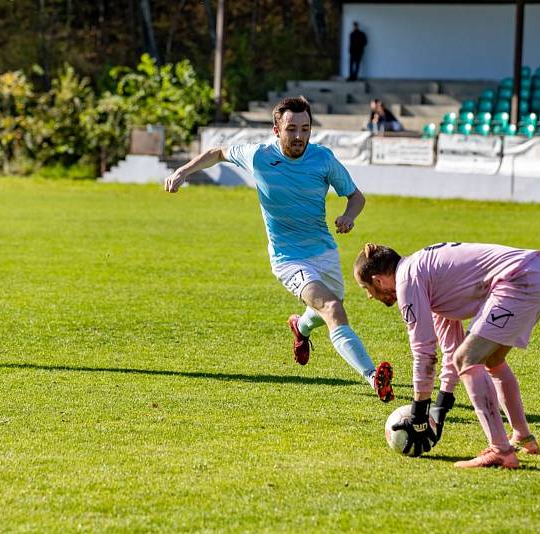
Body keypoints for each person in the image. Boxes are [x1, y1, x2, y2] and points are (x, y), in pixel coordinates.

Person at [164, 96, 394, 402]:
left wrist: (349, 216)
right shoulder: (258, 156)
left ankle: (300, 326)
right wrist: (182, 172)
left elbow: (355, 196)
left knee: (326, 308)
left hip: (323, 251)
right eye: (291, 129)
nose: (299, 136)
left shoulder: (322, 159)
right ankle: (372, 377)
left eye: (305, 129)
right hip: (288, 258)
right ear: (276, 130)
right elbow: (217, 152)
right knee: (333, 309)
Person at [353, 241, 540, 469]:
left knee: (468, 359)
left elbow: (424, 350)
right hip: (538, 273)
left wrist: (420, 412)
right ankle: (522, 436)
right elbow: (450, 349)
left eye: (366, 289)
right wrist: (441, 405)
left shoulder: (407, 281)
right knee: (492, 360)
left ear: (378, 280)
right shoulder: (424, 275)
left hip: (520, 279)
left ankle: (501, 451)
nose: (370, 296)